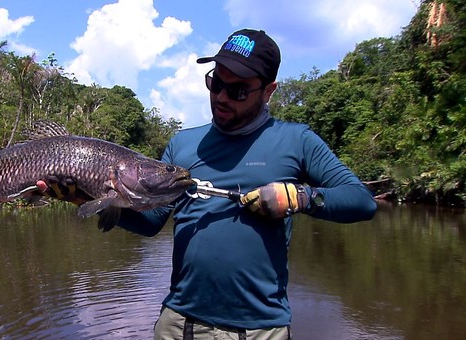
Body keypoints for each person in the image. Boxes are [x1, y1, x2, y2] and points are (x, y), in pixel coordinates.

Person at [40, 28, 377, 339]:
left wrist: (299, 198)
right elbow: (151, 223)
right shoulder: (183, 147)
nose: (221, 97)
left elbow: (361, 202)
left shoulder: (297, 141)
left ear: (269, 91)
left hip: (260, 329)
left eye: (238, 90)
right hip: (180, 323)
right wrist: (80, 197)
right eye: (216, 83)